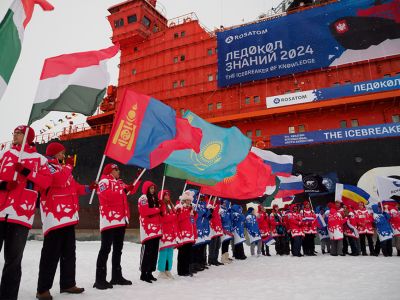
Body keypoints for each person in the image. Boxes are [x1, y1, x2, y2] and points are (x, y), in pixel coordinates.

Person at [0, 125, 51, 300]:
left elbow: (46, 182)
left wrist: (26, 172)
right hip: (0, 212)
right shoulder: (4, 154)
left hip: (21, 216)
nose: (15, 135)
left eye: (19, 133)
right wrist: (4, 185)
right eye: (14, 132)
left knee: (13, 262)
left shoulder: (40, 160)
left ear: (28, 137)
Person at [36, 142, 93, 299]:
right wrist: (68, 167)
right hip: (54, 216)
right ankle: (42, 289)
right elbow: (58, 181)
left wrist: (89, 188)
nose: (63, 155)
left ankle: (68, 283)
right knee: (51, 254)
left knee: (69, 252)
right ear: (54, 153)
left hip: (68, 217)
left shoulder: (62, 168)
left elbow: (74, 187)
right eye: (61, 153)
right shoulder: (46, 165)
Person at [93, 163, 138, 289]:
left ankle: (116, 276)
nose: (119, 171)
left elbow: (130, 190)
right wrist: (122, 189)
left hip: (120, 220)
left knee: (118, 249)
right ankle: (100, 279)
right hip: (109, 220)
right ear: (110, 171)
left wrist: (137, 179)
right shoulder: (104, 181)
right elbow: (105, 196)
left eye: (118, 169)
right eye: (116, 169)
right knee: (105, 249)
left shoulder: (119, 183)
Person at [138, 181, 162, 283]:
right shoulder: (143, 198)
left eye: (153, 188)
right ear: (146, 188)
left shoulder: (155, 199)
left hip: (156, 228)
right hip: (147, 229)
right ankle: (143, 273)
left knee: (154, 251)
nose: (152, 190)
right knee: (147, 251)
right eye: (150, 188)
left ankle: (150, 272)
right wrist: (157, 209)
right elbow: (145, 211)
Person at [157, 190, 179, 279]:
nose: (167, 197)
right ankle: (161, 271)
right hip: (164, 231)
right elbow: (163, 219)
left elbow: (175, 217)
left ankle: (167, 269)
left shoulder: (171, 205)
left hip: (171, 231)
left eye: (168, 195)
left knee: (170, 252)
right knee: (164, 251)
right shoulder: (160, 205)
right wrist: (173, 216)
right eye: (165, 195)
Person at [176, 190, 196, 277]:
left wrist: (194, 214)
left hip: (190, 234)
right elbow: (178, 219)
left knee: (188, 253)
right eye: (187, 200)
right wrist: (186, 212)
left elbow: (193, 221)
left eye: (190, 200)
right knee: (182, 253)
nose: (189, 202)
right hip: (183, 234)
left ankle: (187, 269)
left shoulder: (190, 209)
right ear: (184, 200)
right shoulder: (179, 207)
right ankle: (181, 271)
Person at [207, 197, 223, 266]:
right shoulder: (209, 205)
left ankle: (215, 259)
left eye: (216, 198)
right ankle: (211, 259)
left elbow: (219, 216)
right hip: (213, 227)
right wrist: (210, 211)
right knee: (213, 245)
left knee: (218, 245)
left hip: (218, 227)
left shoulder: (217, 205)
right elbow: (208, 216)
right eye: (214, 198)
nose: (215, 200)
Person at [220, 199, 234, 263]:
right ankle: (223, 258)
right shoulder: (222, 210)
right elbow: (224, 219)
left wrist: (230, 212)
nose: (224, 204)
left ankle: (226, 257)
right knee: (224, 243)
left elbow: (231, 219)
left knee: (227, 243)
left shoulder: (227, 210)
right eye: (224, 203)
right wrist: (227, 212)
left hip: (229, 229)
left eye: (226, 203)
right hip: (224, 229)